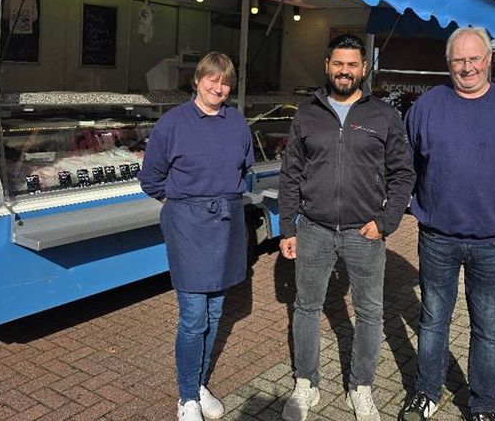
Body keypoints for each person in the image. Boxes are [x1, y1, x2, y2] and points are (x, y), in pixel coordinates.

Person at [399, 27, 495, 421]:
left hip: (493, 241)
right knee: (432, 322)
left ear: (489, 60)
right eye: (459, 60)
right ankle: (427, 391)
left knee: (488, 329)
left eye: (474, 58)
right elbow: (405, 165)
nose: (468, 67)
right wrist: (418, 204)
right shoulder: (427, 107)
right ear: (448, 64)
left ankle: (483, 405)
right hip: (438, 238)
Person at [278, 34, 416, 421]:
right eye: (338, 63)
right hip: (314, 230)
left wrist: (386, 223)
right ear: (327, 65)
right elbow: (290, 175)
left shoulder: (384, 116)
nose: (344, 71)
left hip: (365, 233)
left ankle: (361, 387)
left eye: (352, 64)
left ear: (364, 68)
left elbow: (403, 175)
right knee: (306, 308)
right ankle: (306, 384)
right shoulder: (307, 112)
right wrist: (287, 228)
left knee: (370, 312)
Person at [139, 52, 254, 421]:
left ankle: (200, 384)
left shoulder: (237, 122)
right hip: (188, 224)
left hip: (227, 221)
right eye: (212, 80)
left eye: (225, 83)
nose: (218, 88)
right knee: (193, 317)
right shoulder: (172, 123)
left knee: (217, 310)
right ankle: (186, 397)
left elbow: (245, 169)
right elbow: (151, 179)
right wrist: (182, 204)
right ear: (197, 80)